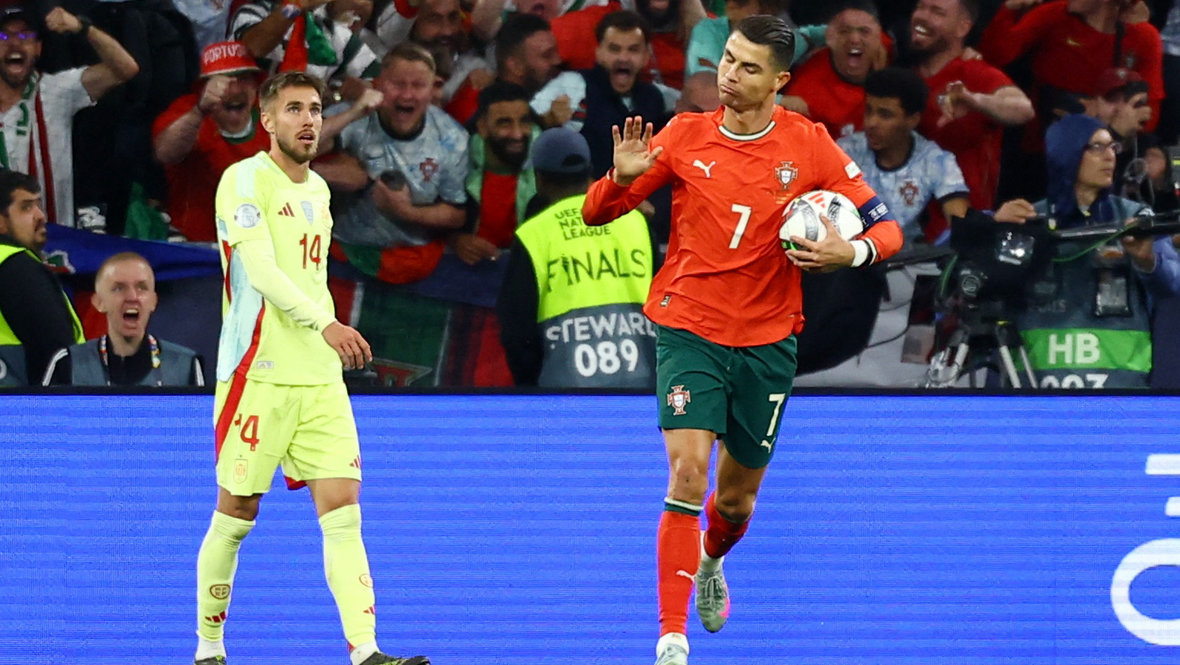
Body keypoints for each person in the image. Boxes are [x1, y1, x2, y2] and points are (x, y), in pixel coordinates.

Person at [581, 15, 903, 665]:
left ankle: (709, 559)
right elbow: (596, 212)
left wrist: (851, 251)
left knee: (734, 501)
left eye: (748, 67)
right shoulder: (683, 133)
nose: (729, 74)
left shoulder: (809, 144)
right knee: (686, 472)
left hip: (767, 340)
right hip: (688, 327)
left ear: (779, 81)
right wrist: (620, 177)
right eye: (728, 59)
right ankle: (671, 638)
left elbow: (886, 228)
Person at [196, 71, 428, 665]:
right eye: (294, 109)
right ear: (267, 120)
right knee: (237, 513)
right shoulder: (243, 179)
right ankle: (208, 648)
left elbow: (311, 278)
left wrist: (326, 339)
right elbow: (261, 272)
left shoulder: (320, 191)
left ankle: (366, 651)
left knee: (344, 511)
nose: (308, 120)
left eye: (316, 110)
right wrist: (327, 324)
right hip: (257, 371)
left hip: (320, 377)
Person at [796, 67, 970, 388]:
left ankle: (917, 390)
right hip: (848, 269)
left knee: (921, 341)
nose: (872, 122)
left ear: (912, 120)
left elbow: (960, 222)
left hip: (907, 270)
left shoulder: (935, 160)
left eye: (885, 114)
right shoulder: (843, 151)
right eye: (869, 111)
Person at [992, 113, 1180, 388]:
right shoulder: (1026, 219)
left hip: (1119, 384)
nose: (1110, 156)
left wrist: (1147, 260)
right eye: (1096, 147)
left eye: (1112, 147)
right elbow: (972, 272)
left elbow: (1172, 284)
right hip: (1036, 382)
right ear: (1065, 153)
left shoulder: (1135, 217)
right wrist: (993, 228)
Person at [498, 127, 656, 387]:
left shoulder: (533, 234)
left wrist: (532, 388)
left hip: (565, 395)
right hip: (643, 388)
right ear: (589, 174)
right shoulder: (635, 221)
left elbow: (517, 331)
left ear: (539, 179)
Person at [324, 44, 468, 263]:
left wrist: (404, 211)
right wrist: (352, 113)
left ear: (432, 89)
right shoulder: (353, 115)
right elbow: (296, 146)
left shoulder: (452, 139)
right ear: (379, 83)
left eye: (418, 85)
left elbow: (457, 214)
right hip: (343, 252)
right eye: (397, 84)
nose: (407, 95)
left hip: (413, 260)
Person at [0, 6, 139, 229]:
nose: (15, 44)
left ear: (38, 49)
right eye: (4, 36)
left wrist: (83, 28)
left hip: (52, 238)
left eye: (25, 36)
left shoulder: (57, 90)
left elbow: (126, 68)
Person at [907, 0, 1034, 213]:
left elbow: (1023, 109)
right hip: (906, 218)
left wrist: (975, 101)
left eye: (937, 12)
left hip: (964, 221)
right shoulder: (902, 72)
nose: (922, 16)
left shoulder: (975, 73)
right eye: (920, 7)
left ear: (962, 28)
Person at [152, 41, 270, 242]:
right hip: (196, 244)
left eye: (243, 79)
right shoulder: (185, 111)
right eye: (223, 81)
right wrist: (200, 110)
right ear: (203, 87)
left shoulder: (270, 112)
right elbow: (165, 153)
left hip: (260, 241)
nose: (235, 90)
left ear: (256, 84)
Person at [531, 10, 673, 176]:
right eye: (614, 49)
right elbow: (527, 122)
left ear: (646, 56)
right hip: (584, 188)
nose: (623, 58)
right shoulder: (572, 84)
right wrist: (548, 120)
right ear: (598, 52)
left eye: (633, 50)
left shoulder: (656, 97)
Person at [42, 252, 204, 386]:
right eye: (119, 288)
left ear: (153, 301)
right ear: (99, 302)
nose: (132, 297)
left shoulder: (185, 365)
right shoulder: (68, 363)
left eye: (141, 287)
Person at [0, 170, 84, 387]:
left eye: (39, 205)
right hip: (25, 403)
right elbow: (57, 350)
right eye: (26, 207)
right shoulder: (16, 267)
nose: (40, 216)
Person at [455, 81, 539, 266]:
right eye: (504, 123)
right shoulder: (456, 162)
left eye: (524, 122)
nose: (517, 134)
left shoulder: (549, 165)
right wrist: (455, 240)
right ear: (482, 127)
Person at [779, 0, 889, 140]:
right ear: (829, 38)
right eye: (844, 31)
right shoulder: (806, 94)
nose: (855, 39)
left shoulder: (890, 50)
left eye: (864, 31)